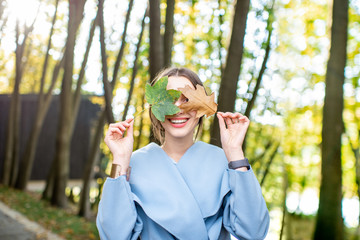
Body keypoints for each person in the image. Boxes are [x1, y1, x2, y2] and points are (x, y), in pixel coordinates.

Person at [96, 67, 270, 240]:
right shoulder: (133, 163)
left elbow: (253, 232)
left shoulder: (224, 161)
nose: (177, 108)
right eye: (168, 99)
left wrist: (235, 152)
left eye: (187, 99)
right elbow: (114, 235)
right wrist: (119, 160)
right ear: (154, 107)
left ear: (201, 106)